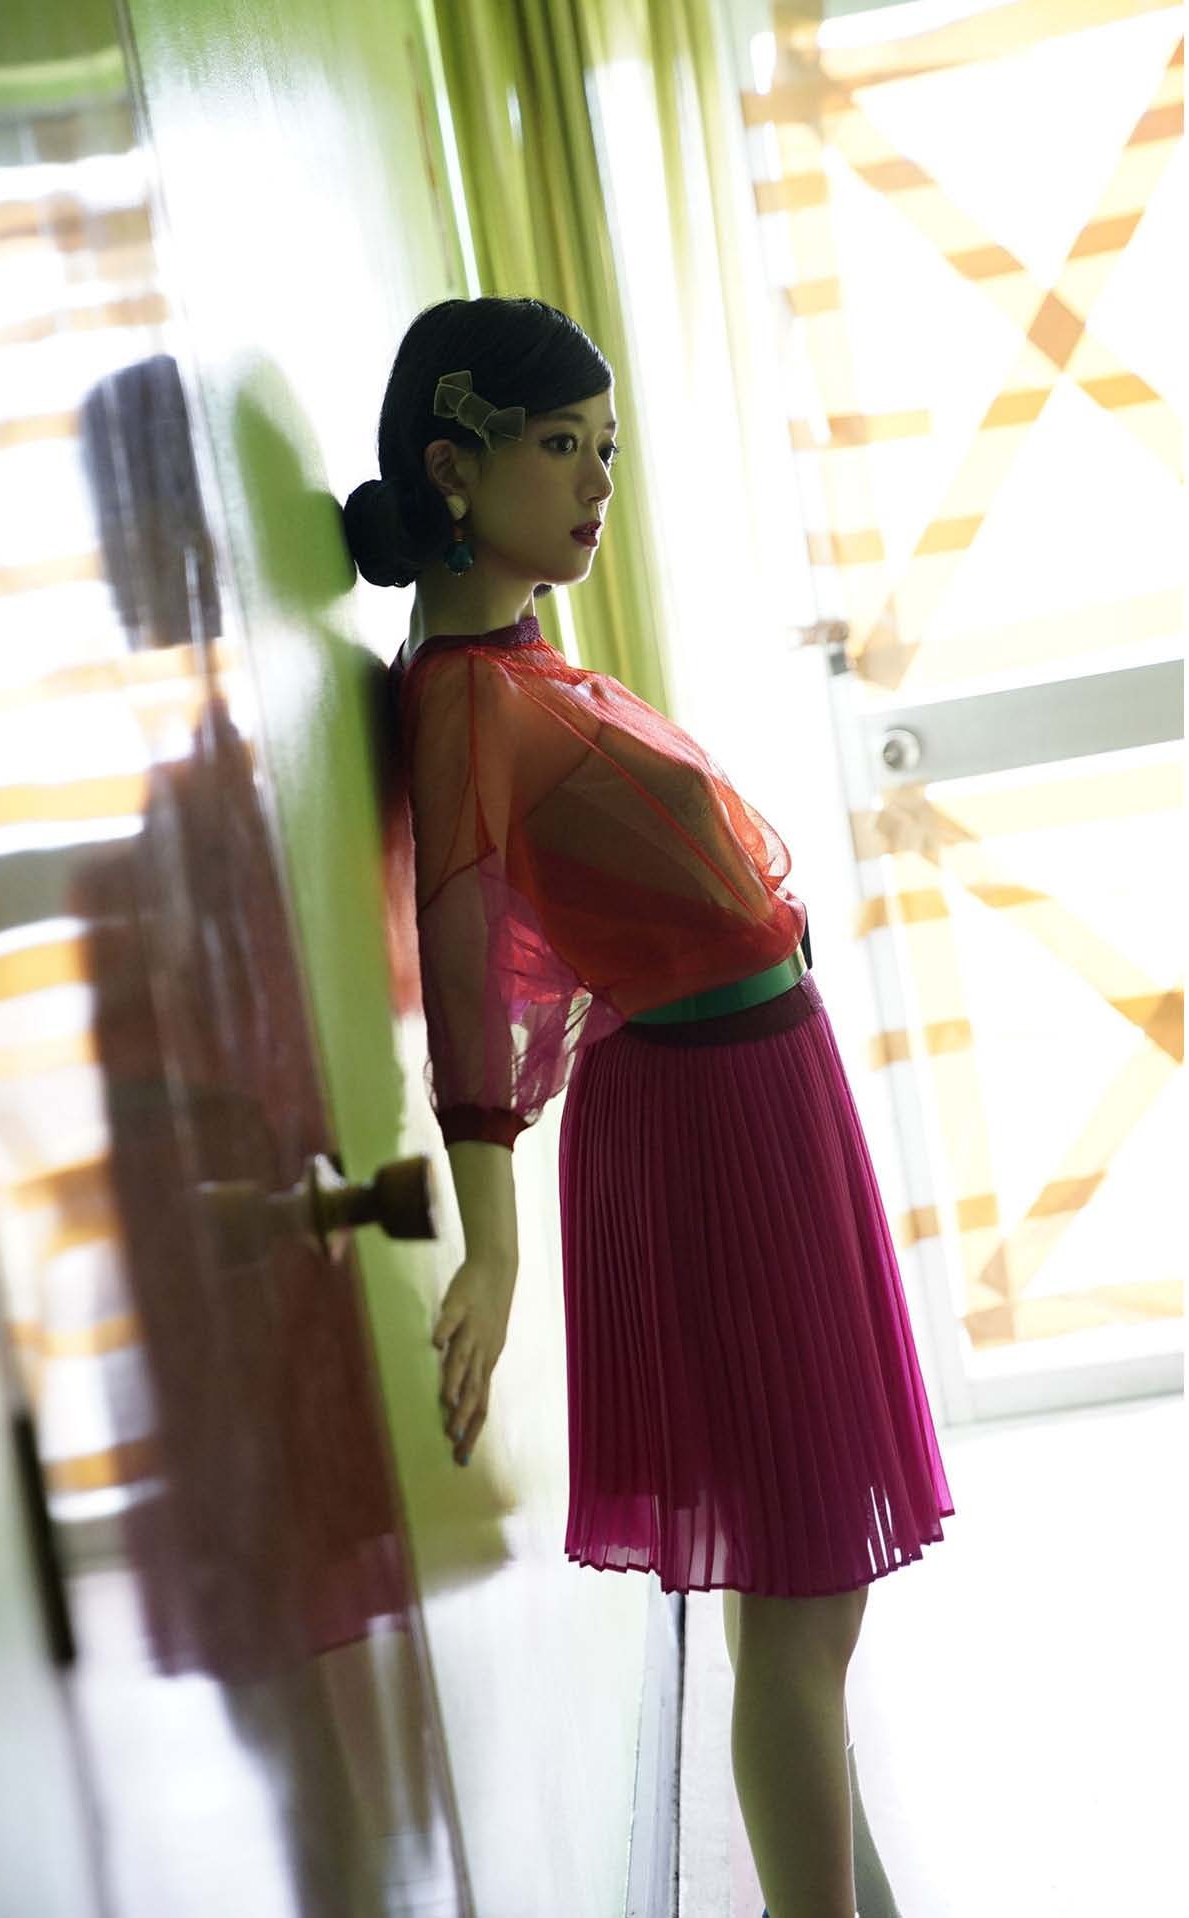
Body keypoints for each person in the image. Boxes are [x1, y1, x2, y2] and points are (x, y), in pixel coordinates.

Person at [344, 296, 955, 1918]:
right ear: (454, 468)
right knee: (806, 1600)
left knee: (805, 1598)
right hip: (712, 1135)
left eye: (605, 448)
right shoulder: (467, 698)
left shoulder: (518, 659)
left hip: (755, 1104)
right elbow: (465, 976)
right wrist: (492, 1246)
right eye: (563, 447)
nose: (597, 482)